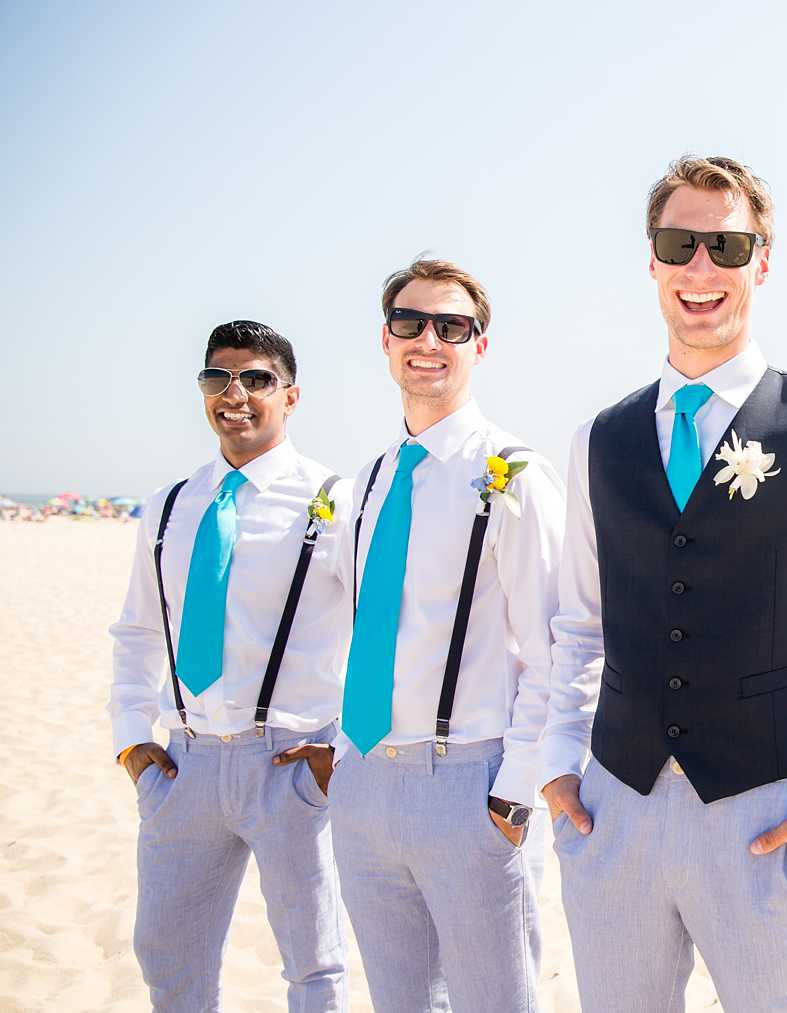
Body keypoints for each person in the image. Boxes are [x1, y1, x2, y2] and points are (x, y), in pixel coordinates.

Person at [535, 155, 787, 1012]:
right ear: (652, 261)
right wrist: (560, 762)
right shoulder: (595, 440)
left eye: (727, 245)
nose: (701, 268)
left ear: (763, 259)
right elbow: (577, 624)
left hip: (770, 814)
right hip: (615, 806)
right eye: (680, 244)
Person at [331, 259, 565, 1012]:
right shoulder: (363, 483)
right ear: (386, 339)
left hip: (469, 781)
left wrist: (512, 790)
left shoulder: (515, 473)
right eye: (411, 323)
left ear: (479, 346)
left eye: (452, 327)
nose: (428, 340)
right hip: (364, 781)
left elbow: (557, 646)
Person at [108, 320, 349, 1011]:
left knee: (313, 965)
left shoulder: (332, 500)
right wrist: (132, 739)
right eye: (218, 378)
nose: (234, 393)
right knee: (168, 958)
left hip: (290, 764)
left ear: (291, 394)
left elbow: (376, 637)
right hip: (183, 767)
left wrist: (339, 748)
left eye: (256, 378)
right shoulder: (170, 505)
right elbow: (136, 630)